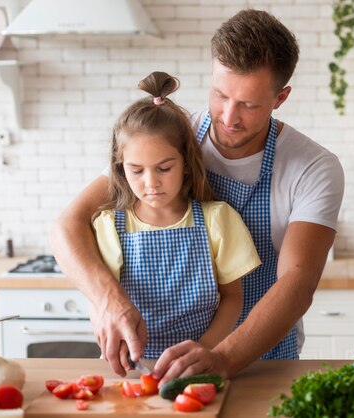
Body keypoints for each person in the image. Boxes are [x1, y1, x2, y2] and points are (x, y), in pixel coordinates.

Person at [49, 8, 344, 380]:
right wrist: (107, 301)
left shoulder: (313, 167)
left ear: (280, 98)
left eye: (249, 105)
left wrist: (220, 357)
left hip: (264, 363)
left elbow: (297, 284)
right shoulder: (169, 138)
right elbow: (67, 226)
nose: (229, 117)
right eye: (220, 95)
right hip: (155, 363)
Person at [92, 71, 260, 358]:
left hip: (200, 365)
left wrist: (204, 349)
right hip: (134, 367)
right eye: (136, 170)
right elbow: (101, 303)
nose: (151, 182)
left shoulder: (218, 220)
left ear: (185, 162)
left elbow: (233, 299)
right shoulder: (110, 226)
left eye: (164, 168)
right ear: (120, 168)